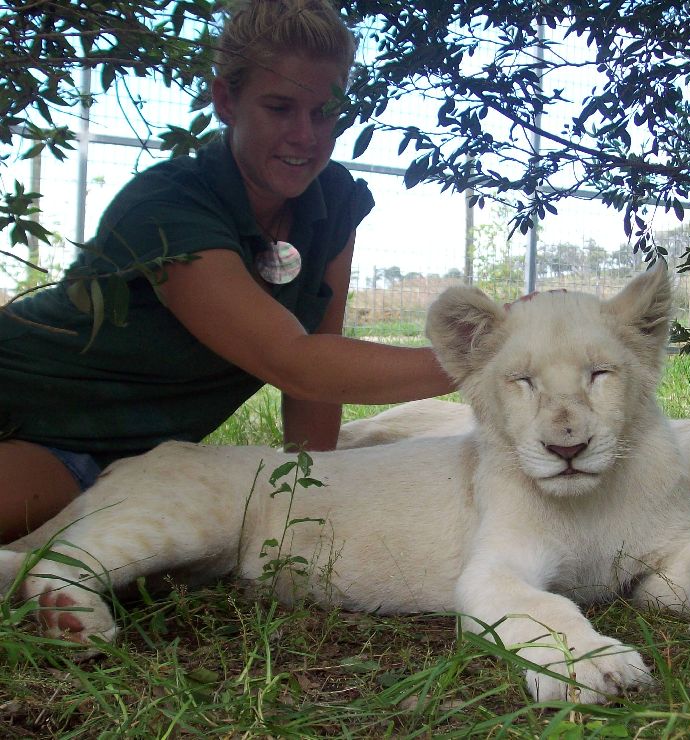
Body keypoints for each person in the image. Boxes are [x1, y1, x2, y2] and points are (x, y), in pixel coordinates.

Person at [0, 0, 455, 543]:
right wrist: (490, 354)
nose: (306, 136)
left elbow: (319, 373)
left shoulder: (333, 199)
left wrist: (307, 508)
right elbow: (294, 363)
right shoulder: (168, 204)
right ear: (226, 101)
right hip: (34, 417)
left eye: (324, 112)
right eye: (280, 108)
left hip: (143, 462)